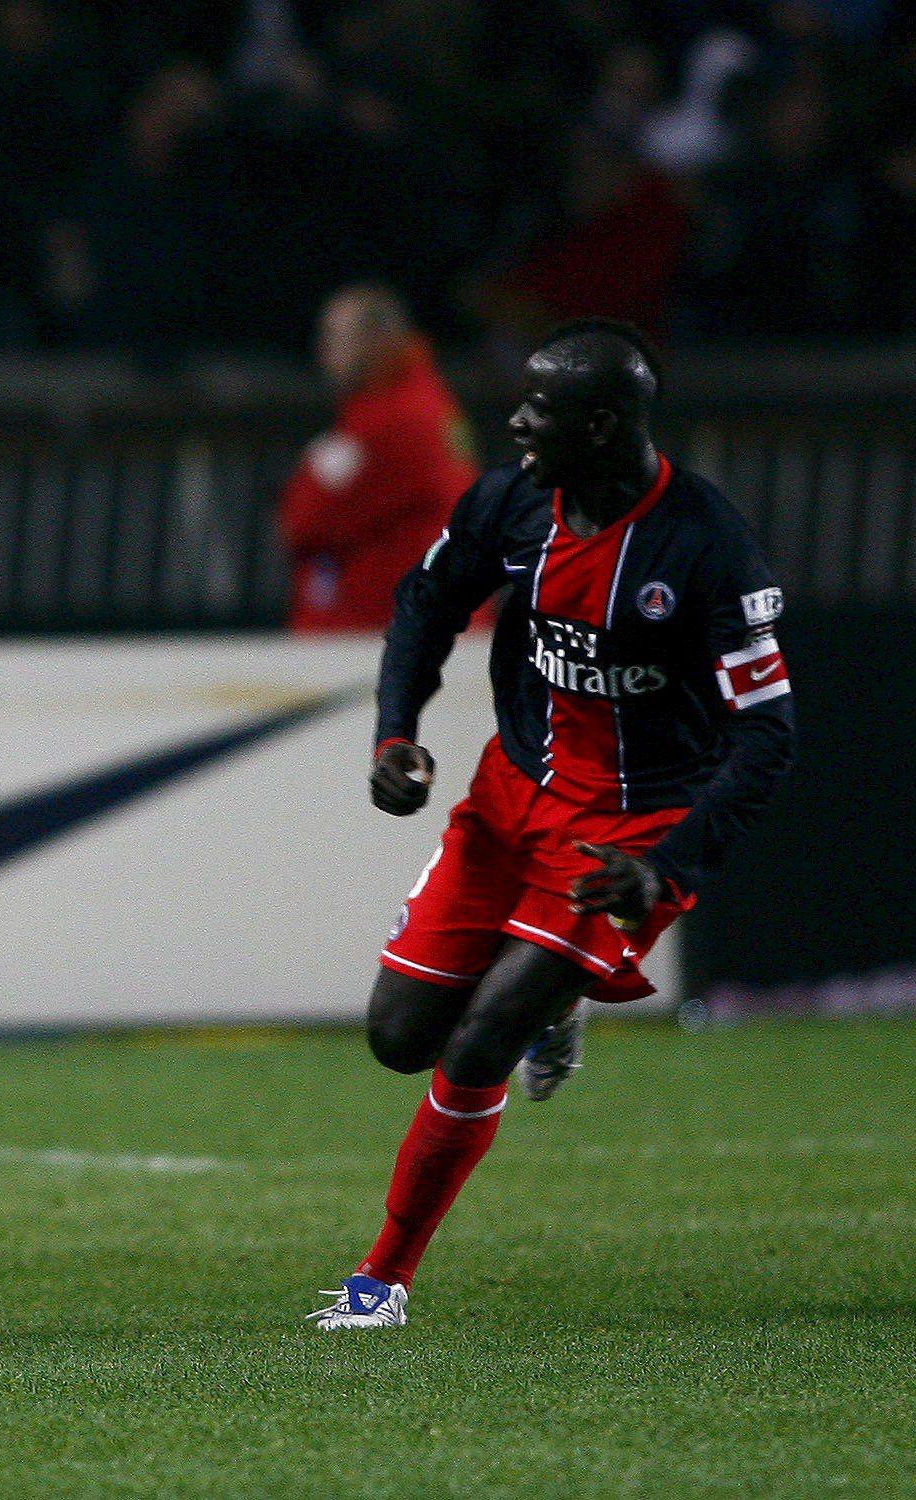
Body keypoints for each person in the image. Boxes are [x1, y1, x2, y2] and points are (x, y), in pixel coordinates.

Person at [310, 319, 796, 1331]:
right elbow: (426, 603)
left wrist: (664, 866)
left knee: (483, 1035)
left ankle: (381, 1280)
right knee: (399, 1038)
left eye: (541, 408)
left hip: (626, 828)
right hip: (505, 800)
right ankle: (555, 1004)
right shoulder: (510, 502)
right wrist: (394, 734)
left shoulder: (706, 546)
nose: (518, 422)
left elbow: (766, 738)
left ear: (607, 425)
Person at [277, 285, 477, 631]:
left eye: (338, 340)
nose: (325, 353)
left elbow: (304, 520)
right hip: (412, 627)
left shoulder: (393, 421)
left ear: (379, 341)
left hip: (382, 631)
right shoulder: (427, 405)